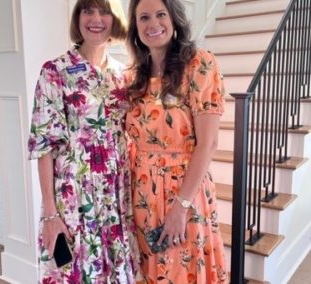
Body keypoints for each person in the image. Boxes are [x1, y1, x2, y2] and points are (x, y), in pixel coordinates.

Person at [28, 0, 142, 283]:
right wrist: (51, 215)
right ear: (77, 18)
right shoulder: (55, 71)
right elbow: (46, 147)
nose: (96, 19)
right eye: (87, 10)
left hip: (115, 195)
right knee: (76, 273)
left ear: (114, 19)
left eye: (104, 11)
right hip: (75, 196)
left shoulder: (123, 75)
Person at [125, 0, 228, 283]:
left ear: (175, 19)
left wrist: (181, 206)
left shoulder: (199, 64)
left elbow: (208, 144)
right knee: (152, 270)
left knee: (184, 268)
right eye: (143, 18)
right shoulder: (134, 78)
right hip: (143, 192)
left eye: (161, 15)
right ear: (135, 27)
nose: (152, 24)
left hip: (185, 192)